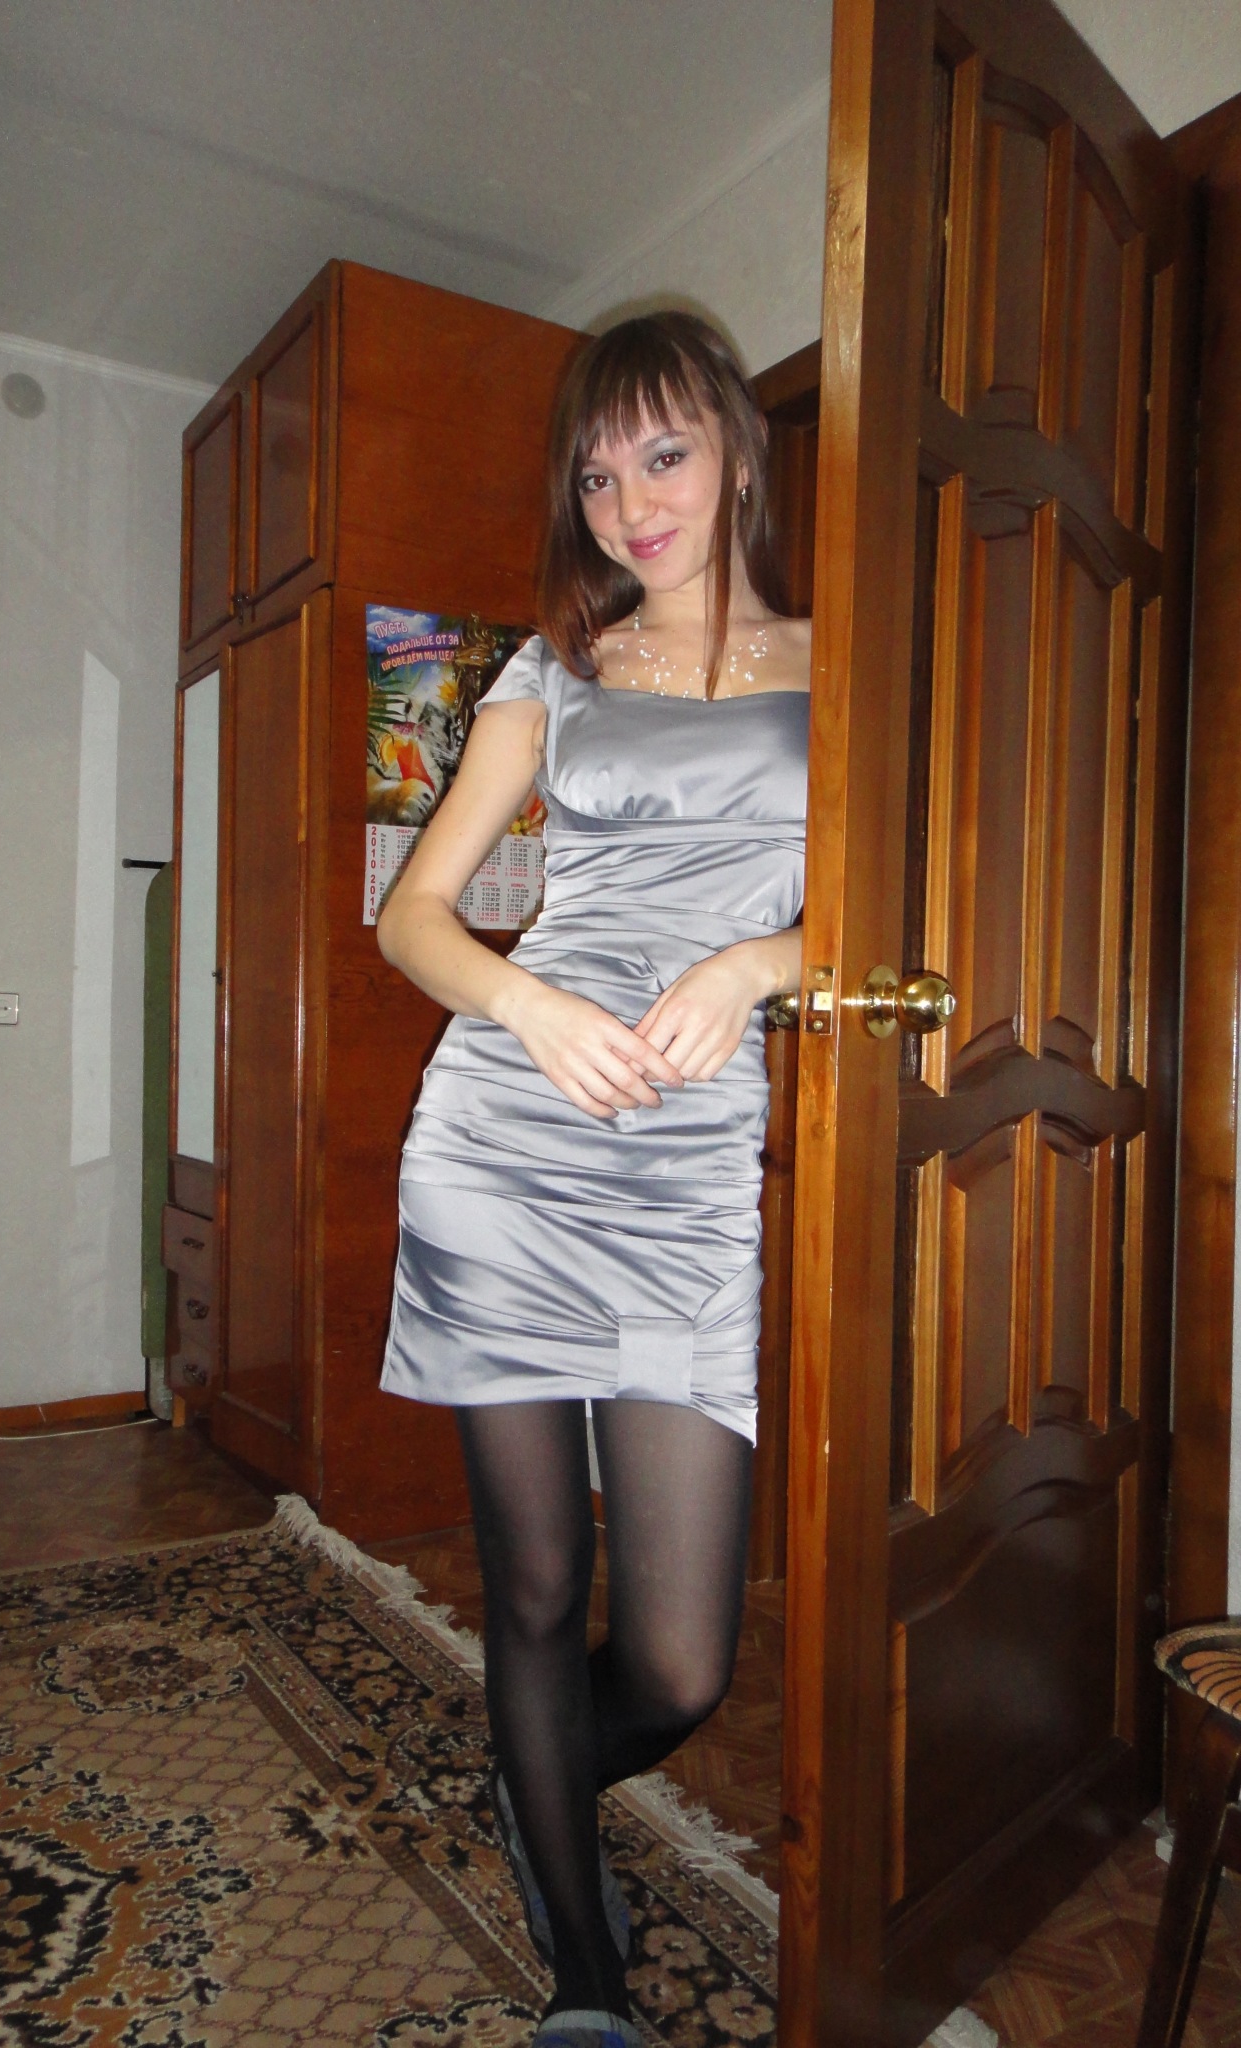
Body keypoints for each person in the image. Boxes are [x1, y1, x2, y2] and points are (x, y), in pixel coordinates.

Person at [376, 311, 808, 2048]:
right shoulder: (550, 671)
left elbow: (907, 911)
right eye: (600, 472)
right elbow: (414, 913)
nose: (632, 503)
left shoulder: (845, 666)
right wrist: (530, 1004)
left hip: (688, 1174)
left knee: (684, 1660)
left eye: (665, 454)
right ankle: (587, 1979)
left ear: (738, 451)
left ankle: (535, 1780)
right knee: (542, 1588)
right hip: (508, 1141)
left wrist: (760, 961)